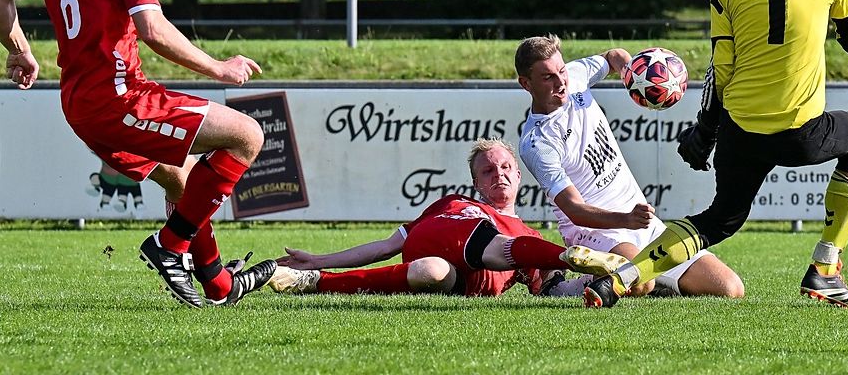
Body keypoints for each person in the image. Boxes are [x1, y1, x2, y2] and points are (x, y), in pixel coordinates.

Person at [0, 0, 277, 308]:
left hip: (78, 105)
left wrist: (20, 51)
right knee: (247, 135)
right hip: (121, 102)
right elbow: (152, 30)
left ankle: (218, 284)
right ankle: (169, 246)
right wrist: (219, 67)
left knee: (182, 179)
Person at [583, 0, 848, 309]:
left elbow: (721, 71)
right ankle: (826, 268)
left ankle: (621, 280)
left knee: (719, 220)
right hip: (802, 132)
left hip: (741, 130)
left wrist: (704, 132)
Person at [515, 35, 745, 300]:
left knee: (730, 289)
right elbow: (575, 210)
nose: (560, 82)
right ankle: (557, 287)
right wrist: (625, 220)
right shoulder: (537, 143)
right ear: (526, 83)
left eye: (561, 70)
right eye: (547, 78)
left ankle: (653, 282)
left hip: (642, 224)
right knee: (639, 282)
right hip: (595, 232)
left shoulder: (575, 77)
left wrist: (635, 75)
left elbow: (615, 55)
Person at [265, 138, 624, 297]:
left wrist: (614, 283)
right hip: (437, 240)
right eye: (487, 171)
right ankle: (314, 273)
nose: (497, 174)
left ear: (518, 175)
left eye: (505, 167)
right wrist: (319, 258)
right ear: (475, 183)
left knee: (430, 271)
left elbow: (552, 288)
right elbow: (387, 246)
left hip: (454, 276)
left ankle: (313, 282)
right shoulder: (451, 204)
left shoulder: (529, 235)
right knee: (470, 240)